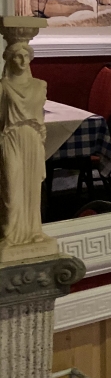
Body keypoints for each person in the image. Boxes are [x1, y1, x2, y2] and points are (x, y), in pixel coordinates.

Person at [0, 36, 50, 255]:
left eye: (25, 56)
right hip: (11, 137)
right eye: (17, 57)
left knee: (32, 188)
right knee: (11, 189)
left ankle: (33, 232)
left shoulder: (40, 85)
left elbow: (40, 116)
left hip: (32, 139)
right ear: (9, 59)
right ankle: (9, 234)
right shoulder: (3, 87)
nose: (21, 61)